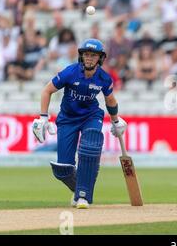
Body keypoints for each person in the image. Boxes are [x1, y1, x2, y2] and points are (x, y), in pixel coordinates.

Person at [32, 39, 128, 209]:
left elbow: (110, 99)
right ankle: (80, 190)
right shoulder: (70, 72)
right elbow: (47, 90)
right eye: (86, 55)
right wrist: (43, 117)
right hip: (68, 119)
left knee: (90, 145)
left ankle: (83, 196)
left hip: (91, 116)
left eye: (93, 55)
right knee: (63, 169)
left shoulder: (104, 78)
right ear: (81, 57)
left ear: (100, 58)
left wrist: (116, 120)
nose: (89, 58)